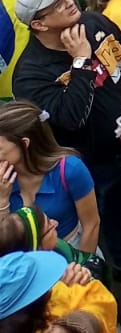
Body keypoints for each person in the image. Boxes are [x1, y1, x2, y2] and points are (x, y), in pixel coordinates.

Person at [11, 0, 121, 279]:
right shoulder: (30, 75)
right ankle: (92, 281)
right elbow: (71, 118)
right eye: (57, 4)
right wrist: (81, 60)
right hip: (84, 165)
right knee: (89, 224)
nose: (69, 1)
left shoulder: (93, 23)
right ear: (39, 24)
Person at [0, 101, 101, 260]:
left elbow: (91, 225)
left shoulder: (70, 169)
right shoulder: (3, 180)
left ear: (24, 144)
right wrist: (2, 201)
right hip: (25, 261)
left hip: (70, 251)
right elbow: (4, 239)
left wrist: (82, 266)